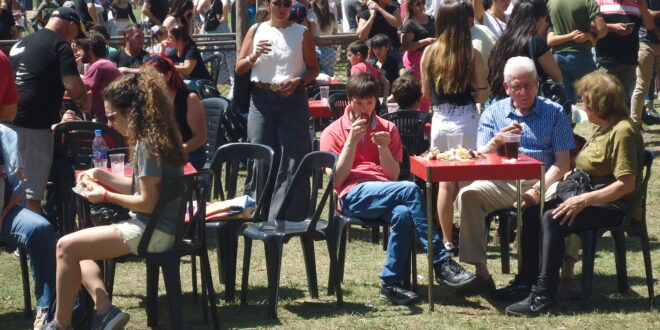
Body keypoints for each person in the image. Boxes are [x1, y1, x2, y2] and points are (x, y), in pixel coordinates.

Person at [40, 67, 186, 330]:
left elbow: (147, 202)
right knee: (74, 247)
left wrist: (105, 195)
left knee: (64, 247)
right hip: (160, 226)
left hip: (152, 229)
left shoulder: (147, 144)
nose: (108, 123)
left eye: (111, 116)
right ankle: (105, 310)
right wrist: (100, 175)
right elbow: (138, 188)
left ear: (132, 112)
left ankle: (60, 326)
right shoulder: (158, 136)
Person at [320, 72, 478, 305]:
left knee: (404, 213)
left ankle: (390, 284)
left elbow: (391, 176)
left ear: (377, 101)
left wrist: (383, 149)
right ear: (349, 99)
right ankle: (441, 261)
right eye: (359, 102)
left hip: (384, 192)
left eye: (370, 102)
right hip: (352, 195)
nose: (365, 108)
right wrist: (352, 141)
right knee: (410, 189)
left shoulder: (387, 128)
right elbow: (336, 181)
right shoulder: (332, 132)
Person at [501, 71, 644, 316]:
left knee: (553, 219)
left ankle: (544, 294)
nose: (583, 106)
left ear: (600, 104)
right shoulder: (604, 127)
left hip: (615, 205)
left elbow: (626, 184)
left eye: (586, 101)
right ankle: (528, 281)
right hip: (591, 193)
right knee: (535, 209)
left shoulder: (623, 132)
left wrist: (583, 199)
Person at [455, 56, 574, 294]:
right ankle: (482, 273)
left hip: (545, 178)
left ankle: (567, 274)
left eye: (528, 85)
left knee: (568, 201)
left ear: (537, 83)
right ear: (506, 87)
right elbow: (480, 159)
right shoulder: (493, 112)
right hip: (504, 181)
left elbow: (562, 164)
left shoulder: (555, 112)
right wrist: (494, 142)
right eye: (516, 86)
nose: (523, 92)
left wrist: (537, 190)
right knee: (467, 195)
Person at [236, 0, 319, 220]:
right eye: (277, 3)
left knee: (292, 154)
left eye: (286, 3)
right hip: (261, 97)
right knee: (259, 151)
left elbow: (314, 69)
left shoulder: (301, 32)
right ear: (268, 4)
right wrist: (253, 56)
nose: (282, 8)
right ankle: (257, 210)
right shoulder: (256, 29)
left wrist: (298, 80)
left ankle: (288, 213)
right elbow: (239, 67)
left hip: (293, 98)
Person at [420, 0, 488, 255]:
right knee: (469, 184)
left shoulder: (429, 52)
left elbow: (426, 92)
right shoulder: (471, 53)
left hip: (440, 119)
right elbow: (481, 95)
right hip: (466, 119)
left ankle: (448, 239)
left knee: (445, 183)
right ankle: (471, 240)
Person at [8, 7, 90, 214]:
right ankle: (31, 243)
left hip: (7, 120)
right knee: (32, 193)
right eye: (75, 33)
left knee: (11, 187)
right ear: (70, 25)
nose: (74, 39)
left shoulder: (21, 42)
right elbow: (73, 86)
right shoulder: (59, 44)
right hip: (33, 124)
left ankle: (11, 236)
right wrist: (85, 101)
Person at [0, 120, 58, 330]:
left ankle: (47, 309)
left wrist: (4, 212)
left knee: (39, 228)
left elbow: (18, 184)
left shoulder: (5, 134)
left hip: (6, 213)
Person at [488, 0, 562, 100]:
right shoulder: (536, 41)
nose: (545, 24)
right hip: (529, 102)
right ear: (538, 20)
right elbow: (558, 77)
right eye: (545, 19)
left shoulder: (502, 41)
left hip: (503, 100)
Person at [144, 54, 208, 170]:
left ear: (167, 76)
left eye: (153, 77)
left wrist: (176, 151)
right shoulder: (149, 99)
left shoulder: (189, 98)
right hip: (160, 156)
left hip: (189, 154)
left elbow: (200, 137)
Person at [546, 0, 607, 106]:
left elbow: (549, 38)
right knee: (600, 94)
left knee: (566, 105)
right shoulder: (587, 1)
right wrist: (590, 36)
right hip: (580, 56)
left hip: (557, 59)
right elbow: (602, 29)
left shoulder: (551, 3)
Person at [595, 0, 653, 105]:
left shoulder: (636, 4)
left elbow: (649, 26)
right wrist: (612, 28)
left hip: (629, 60)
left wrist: (643, 8)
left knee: (622, 99)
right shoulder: (600, 2)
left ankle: (621, 120)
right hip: (607, 60)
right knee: (606, 99)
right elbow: (591, 25)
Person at [77, 31, 122, 122]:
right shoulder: (104, 63)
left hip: (107, 121)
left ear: (89, 49)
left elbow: (78, 90)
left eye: (80, 49)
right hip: (111, 118)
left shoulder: (98, 66)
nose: (78, 53)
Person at [631, 0, 660, 127]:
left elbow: (652, 13)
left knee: (641, 86)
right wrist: (657, 30)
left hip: (651, 42)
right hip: (645, 42)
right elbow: (646, 14)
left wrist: (656, 13)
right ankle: (635, 123)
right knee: (642, 85)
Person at [164, 23, 212, 90]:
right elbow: (163, 61)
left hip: (201, 83)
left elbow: (187, 69)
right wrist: (163, 49)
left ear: (180, 38)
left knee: (178, 87)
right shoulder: (175, 51)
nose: (167, 39)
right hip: (189, 81)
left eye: (170, 37)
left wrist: (169, 66)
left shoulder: (191, 48)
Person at [347, 39, 390, 107]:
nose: (348, 58)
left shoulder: (356, 68)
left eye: (350, 55)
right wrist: (384, 102)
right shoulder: (372, 67)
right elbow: (386, 83)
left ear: (358, 55)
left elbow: (354, 88)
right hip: (374, 103)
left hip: (361, 104)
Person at [400, 0, 435, 81]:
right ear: (411, 6)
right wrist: (425, 41)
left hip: (431, 56)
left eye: (423, 2)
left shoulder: (431, 19)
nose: (422, 5)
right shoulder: (409, 24)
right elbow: (406, 46)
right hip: (415, 59)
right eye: (418, 3)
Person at [311, 0, 339, 76]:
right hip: (330, 51)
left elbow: (311, 34)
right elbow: (334, 34)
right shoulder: (332, 16)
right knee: (329, 78)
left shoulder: (312, 16)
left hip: (317, 51)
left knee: (319, 79)